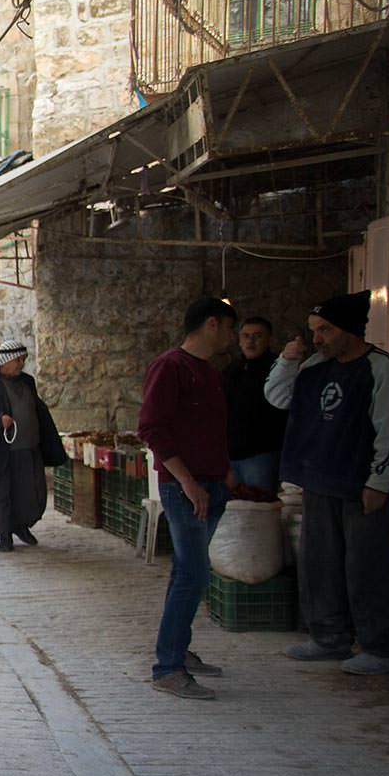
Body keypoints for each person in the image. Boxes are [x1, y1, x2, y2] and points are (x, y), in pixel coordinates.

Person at [264, 289, 389, 676]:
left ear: (349, 330)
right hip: (319, 480)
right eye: (314, 329)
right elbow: (279, 397)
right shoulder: (314, 366)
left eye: (325, 330)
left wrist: (380, 481)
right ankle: (329, 637)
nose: (317, 338)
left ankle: (381, 647)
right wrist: (286, 360)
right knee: (320, 565)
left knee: (367, 567)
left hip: (360, 483)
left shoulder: (380, 366)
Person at [138, 297, 238, 700]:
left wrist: (224, 469)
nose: (232, 337)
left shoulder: (209, 373)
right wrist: (188, 482)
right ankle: (168, 666)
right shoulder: (171, 367)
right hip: (186, 489)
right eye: (231, 328)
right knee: (192, 574)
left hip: (211, 484)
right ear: (212, 324)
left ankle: (178, 651)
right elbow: (152, 429)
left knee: (187, 573)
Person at [0, 339, 67, 552]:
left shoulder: (27, 381)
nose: (21, 364)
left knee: (28, 491)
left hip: (27, 447)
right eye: (18, 360)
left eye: (23, 359)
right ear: (6, 360)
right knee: (0, 492)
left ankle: (21, 526)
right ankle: (4, 534)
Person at [222, 315, 288, 493]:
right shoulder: (232, 369)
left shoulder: (278, 369)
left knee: (260, 507)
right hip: (231, 454)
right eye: (246, 336)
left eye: (257, 336)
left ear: (268, 339)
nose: (251, 341)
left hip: (262, 454)